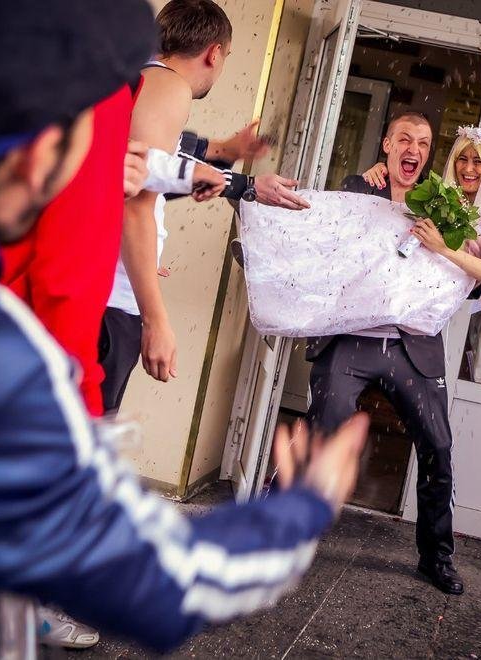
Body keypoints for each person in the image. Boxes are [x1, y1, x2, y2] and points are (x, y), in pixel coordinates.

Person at [0, 0, 368, 655]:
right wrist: (303, 508)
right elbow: (156, 580)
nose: (120, 162)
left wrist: (217, 166)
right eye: (100, 145)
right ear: (39, 157)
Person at [307, 118, 481, 596]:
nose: (469, 168)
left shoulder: (451, 207)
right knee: (321, 430)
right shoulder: (367, 187)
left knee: (438, 447)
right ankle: (282, 530)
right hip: (353, 337)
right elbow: (335, 236)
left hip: (413, 346)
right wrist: (378, 176)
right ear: (388, 145)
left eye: (424, 144)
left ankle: (437, 557)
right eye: (463, 159)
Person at [101, 0, 310, 414]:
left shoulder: (141, 80)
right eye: (226, 56)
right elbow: (137, 200)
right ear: (214, 53)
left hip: (106, 289)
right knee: (76, 432)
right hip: (110, 301)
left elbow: (155, 166)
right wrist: (156, 320)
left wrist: (227, 155)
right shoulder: (170, 87)